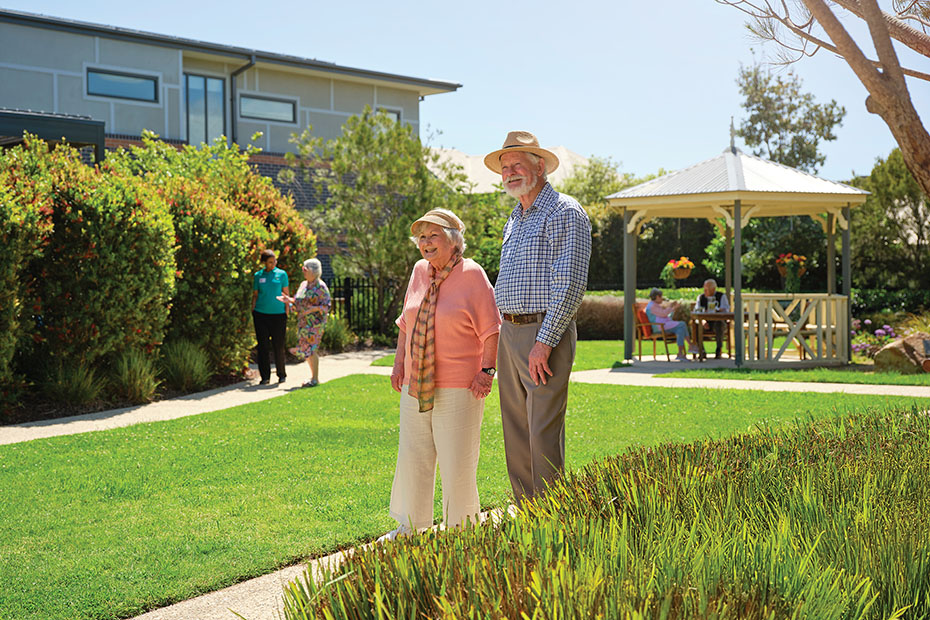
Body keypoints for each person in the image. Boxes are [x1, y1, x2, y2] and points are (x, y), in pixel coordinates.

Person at [484, 130, 591, 502]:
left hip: (543, 334)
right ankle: (525, 512)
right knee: (515, 429)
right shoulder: (513, 219)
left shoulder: (565, 211)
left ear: (540, 166)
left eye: (518, 164)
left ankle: (551, 516)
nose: (510, 172)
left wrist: (544, 343)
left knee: (541, 431)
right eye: (505, 167)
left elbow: (571, 282)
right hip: (509, 333)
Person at [384, 208, 501, 539]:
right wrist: (398, 364)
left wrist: (487, 371)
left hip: (459, 385)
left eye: (433, 235)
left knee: (457, 462)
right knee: (414, 454)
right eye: (421, 237)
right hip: (416, 382)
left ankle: (461, 531)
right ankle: (411, 525)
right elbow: (406, 322)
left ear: (454, 239)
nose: (425, 243)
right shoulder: (420, 271)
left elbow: (491, 329)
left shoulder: (472, 274)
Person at [278, 258, 331, 387]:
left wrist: (312, 309)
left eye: (305, 269)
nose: (304, 272)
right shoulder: (303, 284)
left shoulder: (321, 287)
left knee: (311, 349)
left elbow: (326, 306)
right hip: (303, 323)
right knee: (306, 349)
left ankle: (315, 379)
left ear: (314, 271)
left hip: (315, 324)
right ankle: (313, 377)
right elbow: (298, 301)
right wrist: (289, 300)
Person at [251, 249, 289, 385]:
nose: (273, 264)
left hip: (278, 315)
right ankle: (265, 377)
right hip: (261, 315)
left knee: (278, 345)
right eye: (270, 262)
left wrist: (286, 311)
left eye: (275, 261)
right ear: (264, 262)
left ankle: (281, 374)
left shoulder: (282, 274)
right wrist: (253, 309)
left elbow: (286, 294)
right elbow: (255, 295)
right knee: (263, 346)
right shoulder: (258, 276)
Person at [645, 288, 697, 361]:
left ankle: (680, 353)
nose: (662, 299)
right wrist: (672, 308)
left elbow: (666, 315)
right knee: (682, 324)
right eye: (661, 297)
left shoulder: (655, 305)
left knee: (680, 328)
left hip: (664, 325)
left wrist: (672, 307)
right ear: (657, 297)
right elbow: (663, 314)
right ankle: (689, 346)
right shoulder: (652, 306)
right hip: (660, 327)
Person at [693, 278, 730, 359]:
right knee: (696, 327)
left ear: (713, 289)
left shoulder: (721, 296)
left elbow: (726, 310)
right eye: (704, 289)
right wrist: (702, 321)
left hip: (718, 321)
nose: (705, 291)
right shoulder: (701, 297)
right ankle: (701, 351)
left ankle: (718, 349)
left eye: (707, 289)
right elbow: (696, 310)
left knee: (719, 324)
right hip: (705, 321)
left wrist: (719, 310)